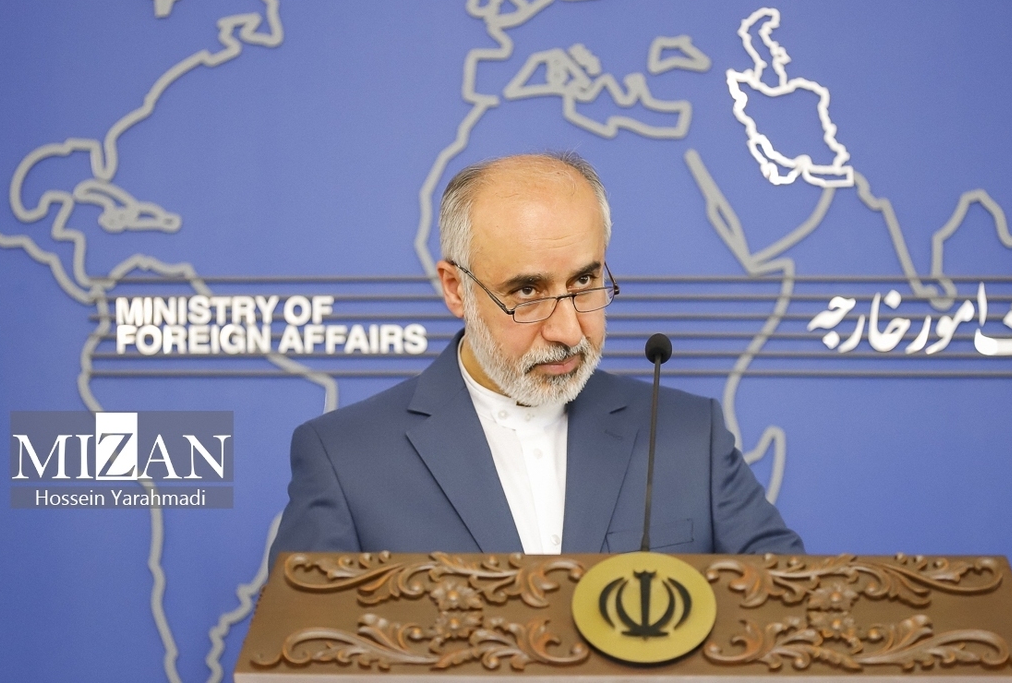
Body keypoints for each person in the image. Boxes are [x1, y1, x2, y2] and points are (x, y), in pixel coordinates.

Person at [269, 152, 802, 568]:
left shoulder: (690, 435)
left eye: (585, 281)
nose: (568, 330)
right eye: (527, 291)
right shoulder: (345, 459)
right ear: (455, 289)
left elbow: (793, 615)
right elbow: (303, 652)